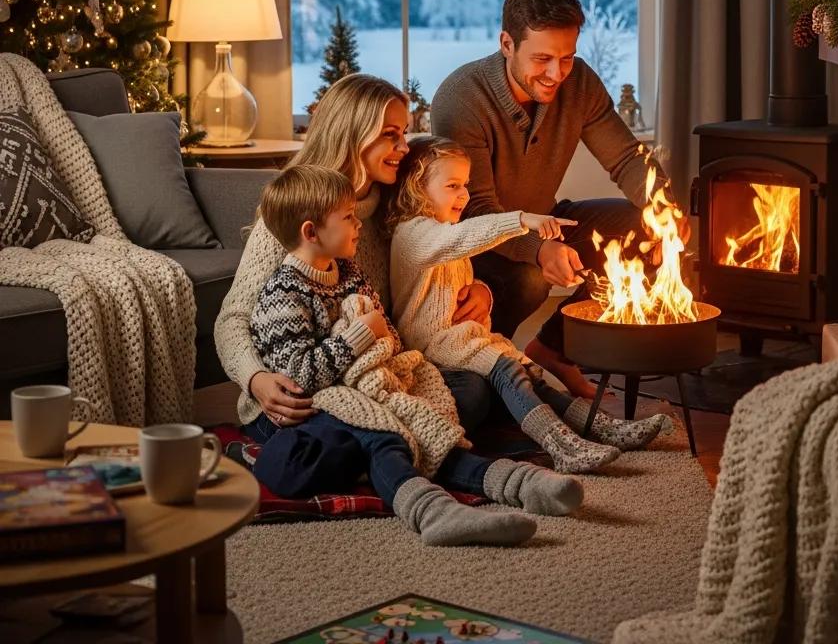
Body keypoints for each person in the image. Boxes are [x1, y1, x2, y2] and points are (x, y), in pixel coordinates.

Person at [247, 164, 583, 546]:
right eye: (347, 218)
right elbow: (300, 376)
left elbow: (387, 334)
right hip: (317, 403)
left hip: (367, 383)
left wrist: (375, 354)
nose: (358, 224)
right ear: (311, 232)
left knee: (431, 423)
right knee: (388, 434)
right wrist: (359, 336)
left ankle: (521, 483)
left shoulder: (349, 273)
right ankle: (433, 512)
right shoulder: (284, 294)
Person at [214, 74, 497, 497]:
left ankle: (385, 452)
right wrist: (257, 380)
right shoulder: (300, 214)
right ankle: (396, 454)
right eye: (391, 135)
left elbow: (436, 269)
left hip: (376, 373)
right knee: (335, 435)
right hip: (303, 386)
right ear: (353, 135)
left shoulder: (396, 207)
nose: (404, 147)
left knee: (472, 390)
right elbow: (233, 318)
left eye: (404, 134)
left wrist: (481, 290)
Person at [432, 0, 676, 398]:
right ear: (507, 43)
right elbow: (476, 211)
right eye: (542, 58)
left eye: (567, 58)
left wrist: (663, 209)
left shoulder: (577, 83)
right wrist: (538, 248)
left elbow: (626, 158)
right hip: (478, 249)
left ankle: (553, 348)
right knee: (529, 281)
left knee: (646, 230)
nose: (556, 74)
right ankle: (491, 365)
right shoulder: (462, 98)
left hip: (548, 221)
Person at [389, 137, 673, 473]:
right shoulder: (413, 233)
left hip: (462, 338)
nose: (464, 195)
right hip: (432, 345)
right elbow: (462, 238)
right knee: (506, 368)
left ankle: (600, 427)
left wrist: (480, 288)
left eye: (465, 185)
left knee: (529, 373)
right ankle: (560, 445)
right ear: (417, 188)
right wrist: (521, 220)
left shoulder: (441, 229)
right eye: (452, 186)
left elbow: (454, 280)